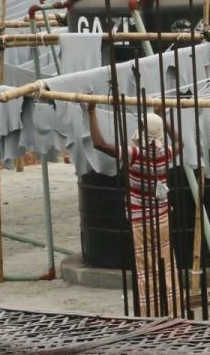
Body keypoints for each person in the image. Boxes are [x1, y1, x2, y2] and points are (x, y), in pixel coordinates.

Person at [87, 101, 183, 317]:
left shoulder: (134, 155)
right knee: (167, 266)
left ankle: (150, 314)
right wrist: (163, 118)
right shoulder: (165, 154)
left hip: (141, 221)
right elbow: (180, 143)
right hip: (163, 218)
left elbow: (99, 144)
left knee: (145, 270)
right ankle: (174, 311)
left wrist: (91, 112)